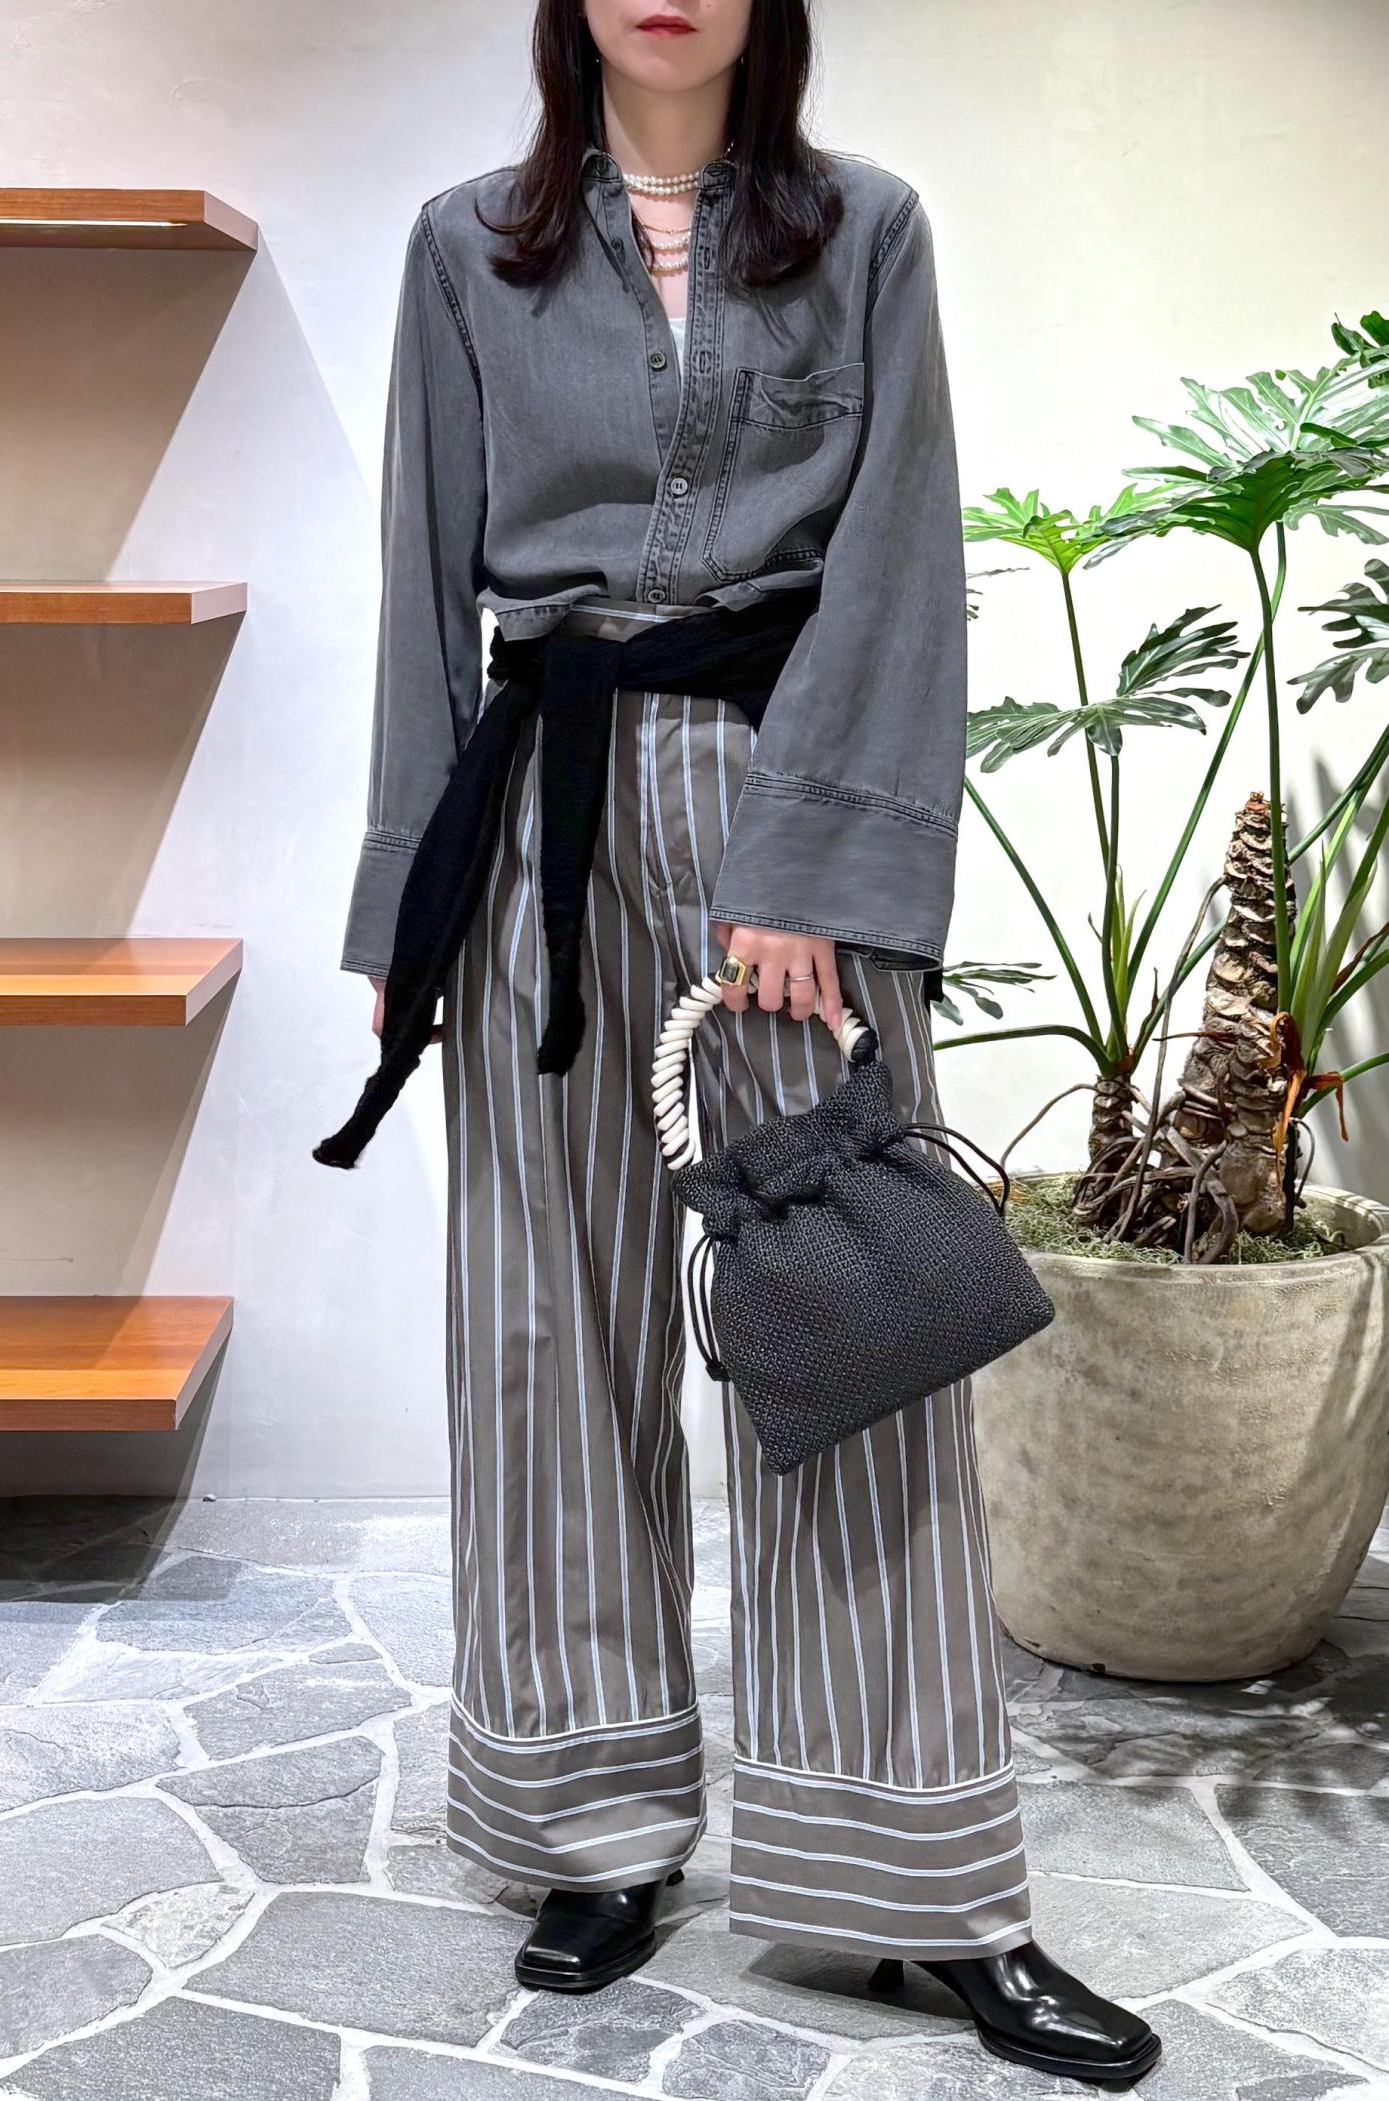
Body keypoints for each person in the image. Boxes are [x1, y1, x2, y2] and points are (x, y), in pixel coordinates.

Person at [327, 0, 1160, 2086]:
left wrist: (807, 864)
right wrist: (405, 906)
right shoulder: (465, 245)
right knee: (550, 1326)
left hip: (783, 829)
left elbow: (900, 562)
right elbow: (424, 582)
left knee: (851, 1335)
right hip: (539, 827)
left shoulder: (867, 230)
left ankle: (920, 1882)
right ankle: (588, 1821)